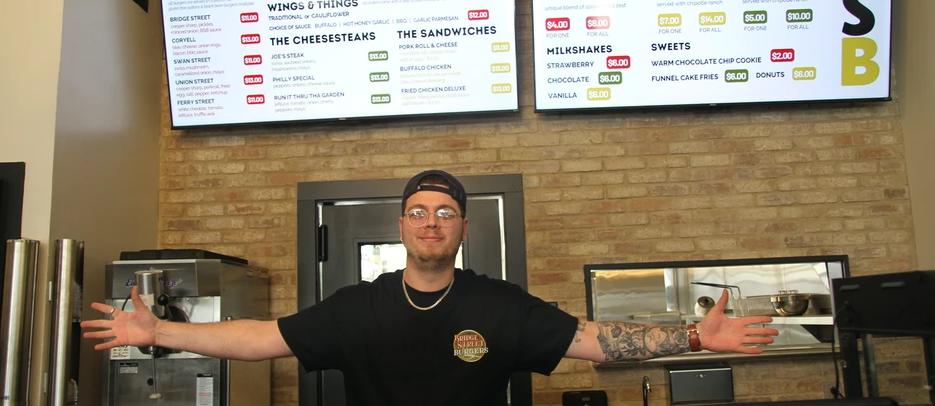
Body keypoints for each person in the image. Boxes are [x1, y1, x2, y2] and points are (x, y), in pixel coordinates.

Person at [82, 169, 778, 405]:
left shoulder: (498, 305)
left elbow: (594, 341)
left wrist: (691, 335)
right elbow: (265, 337)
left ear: (463, 229)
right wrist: (160, 332)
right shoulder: (358, 308)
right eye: (419, 211)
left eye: (445, 212)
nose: (431, 221)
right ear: (403, 226)